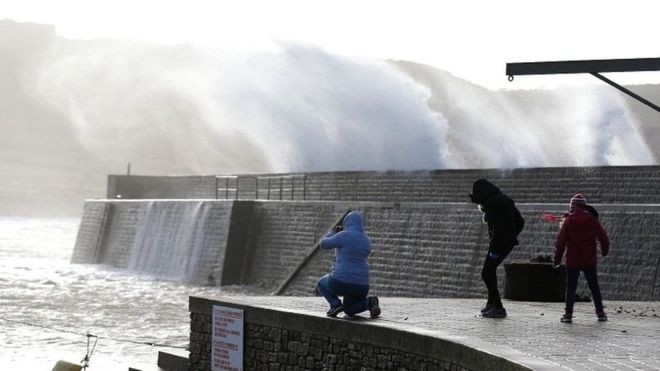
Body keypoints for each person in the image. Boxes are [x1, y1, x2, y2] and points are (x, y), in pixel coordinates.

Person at [469, 179, 524, 318]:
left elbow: (498, 229)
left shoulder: (493, 204)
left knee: (486, 273)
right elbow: (520, 222)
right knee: (490, 271)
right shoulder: (504, 200)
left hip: (499, 244)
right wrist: (512, 236)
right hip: (506, 243)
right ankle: (491, 305)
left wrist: (495, 247)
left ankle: (498, 307)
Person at [554, 193, 609, 323]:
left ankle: (568, 315)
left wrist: (556, 261)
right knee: (594, 286)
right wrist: (604, 251)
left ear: (572, 206)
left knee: (571, 287)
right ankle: (600, 312)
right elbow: (604, 238)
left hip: (572, 260)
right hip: (589, 259)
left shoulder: (568, 221)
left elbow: (560, 243)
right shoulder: (592, 220)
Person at [316, 210, 380, 318]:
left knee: (321, 283)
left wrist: (332, 234)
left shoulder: (343, 235)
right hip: (362, 286)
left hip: (340, 281)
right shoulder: (366, 240)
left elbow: (324, 244)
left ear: (347, 223)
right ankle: (369, 303)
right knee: (349, 310)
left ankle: (335, 305)